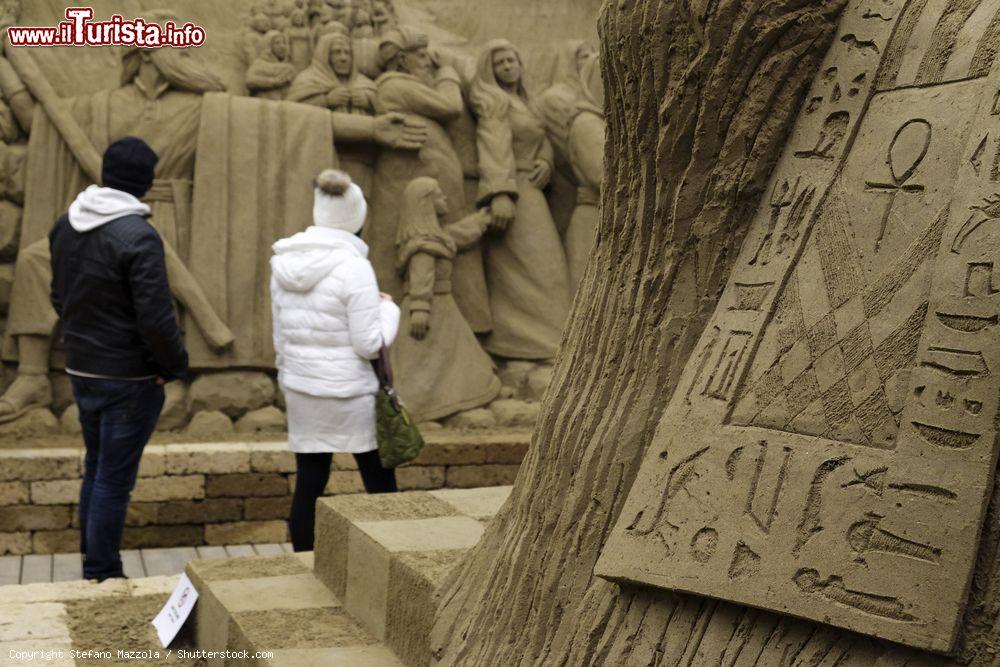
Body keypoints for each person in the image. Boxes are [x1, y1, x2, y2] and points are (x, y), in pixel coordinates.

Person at [50, 137, 188, 582]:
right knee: (113, 479)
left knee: (97, 469)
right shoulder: (139, 237)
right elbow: (155, 316)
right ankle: (104, 572)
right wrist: (172, 366)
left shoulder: (65, 226)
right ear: (144, 184)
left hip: (82, 369)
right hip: (129, 379)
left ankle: (94, 564)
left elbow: (59, 296)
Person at [271, 169, 400, 552]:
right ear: (356, 219)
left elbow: (281, 335)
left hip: (302, 388)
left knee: (310, 481)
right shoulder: (355, 267)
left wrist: (287, 380)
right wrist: (389, 311)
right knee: (380, 485)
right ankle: (395, 556)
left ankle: (303, 564)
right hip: (350, 393)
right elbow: (369, 345)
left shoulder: (282, 264)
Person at [369, 27, 492, 334]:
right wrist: (448, 73)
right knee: (420, 248)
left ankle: (462, 326)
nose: (427, 61)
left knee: (439, 245)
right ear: (401, 59)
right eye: (420, 55)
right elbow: (450, 106)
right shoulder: (396, 86)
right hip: (415, 182)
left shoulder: (403, 84)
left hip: (429, 180)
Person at [471, 39, 572, 359]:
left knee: (547, 267)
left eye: (511, 59)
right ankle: (532, 345)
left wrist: (545, 161)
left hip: (531, 189)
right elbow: (494, 144)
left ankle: (553, 340)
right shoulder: (495, 102)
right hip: (515, 193)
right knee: (537, 266)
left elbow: (537, 138)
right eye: (499, 62)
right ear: (491, 69)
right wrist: (500, 192)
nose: (507, 66)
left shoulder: (523, 102)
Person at [391, 177, 500, 421]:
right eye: (439, 195)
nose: (445, 198)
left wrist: (479, 221)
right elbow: (421, 279)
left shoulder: (435, 238)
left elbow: (456, 236)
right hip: (430, 308)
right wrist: (420, 309)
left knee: (454, 355)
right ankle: (421, 409)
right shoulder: (423, 247)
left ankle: (465, 394)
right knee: (422, 361)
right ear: (426, 204)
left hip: (443, 307)